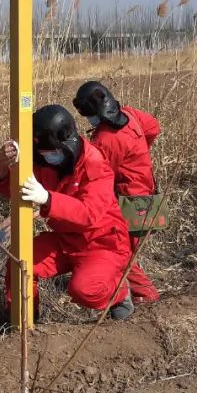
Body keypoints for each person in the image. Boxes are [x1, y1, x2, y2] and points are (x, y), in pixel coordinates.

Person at [0, 104, 134, 320]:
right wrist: (4, 165)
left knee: (83, 290)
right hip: (64, 240)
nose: (47, 157)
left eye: (49, 152)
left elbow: (89, 215)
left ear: (67, 143)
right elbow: (12, 189)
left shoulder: (95, 164)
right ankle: (23, 318)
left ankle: (120, 293)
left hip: (102, 243)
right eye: (42, 153)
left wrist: (48, 199)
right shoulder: (45, 161)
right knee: (19, 261)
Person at [73, 81, 162, 304]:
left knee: (122, 256)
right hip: (150, 195)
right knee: (127, 252)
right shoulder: (131, 115)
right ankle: (140, 295)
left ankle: (148, 297)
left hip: (130, 203)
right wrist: (137, 153)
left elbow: (97, 177)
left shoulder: (105, 139)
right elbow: (153, 128)